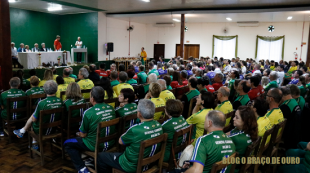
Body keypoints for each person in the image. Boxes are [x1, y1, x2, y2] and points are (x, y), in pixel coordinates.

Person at [97, 99, 162, 173]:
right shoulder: (159, 126)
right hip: (150, 163)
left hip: (131, 166)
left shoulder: (135, 130)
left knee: (101, 157)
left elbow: (120, 142)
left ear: (139, 114)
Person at [64, 87, 116, 173]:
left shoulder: (88, 112)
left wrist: (79, 134)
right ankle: (90, 160)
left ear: (92, 98)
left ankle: (82, 168)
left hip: (94, 145)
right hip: (111, 142)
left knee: (68, 143)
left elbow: (83, 135)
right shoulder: (111, 108)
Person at [13, 81, 62, 150]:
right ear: (56, 90)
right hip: (55, 129)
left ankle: (33, 143)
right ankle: (22, 130)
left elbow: (34, 120)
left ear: (44, 90)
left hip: (41, 130)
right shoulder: (61, 101)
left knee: (34, 119)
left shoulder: (41, 103)